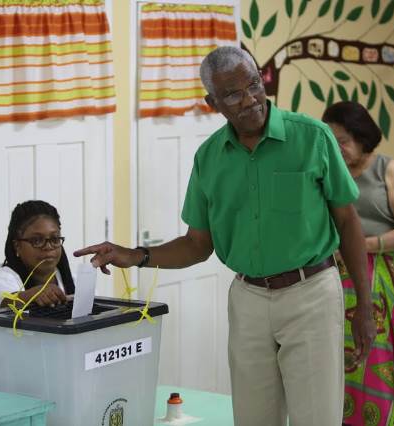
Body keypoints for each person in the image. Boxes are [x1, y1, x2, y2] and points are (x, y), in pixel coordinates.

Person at [74, 46, 376, 426]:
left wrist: (363, 304)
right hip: (248, 299)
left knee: (316, 417)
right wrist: (135, 255)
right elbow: (197, 245)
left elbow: (348, 221)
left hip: (310, 293)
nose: (250, 99)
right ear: (212, 102)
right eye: (233, 94)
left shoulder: (311, 137)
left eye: (254, 84)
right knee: (252, 417)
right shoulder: (210, 158)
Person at [323, 101, 394, 425]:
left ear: (363, 136)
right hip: (330, 274)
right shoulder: (329, 168)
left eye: (344, 140)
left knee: (371, 353)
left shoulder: (387, 169)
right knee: (331, 355)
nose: (338, 147)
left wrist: (361, 246)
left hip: (375, 276)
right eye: (331, 139)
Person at [0, 200, 74, 311]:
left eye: (54, 239)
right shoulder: (1, 280)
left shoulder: (74, 280)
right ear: (17, 246)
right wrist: (31, 295)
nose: (48, 246)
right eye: (37, 240)